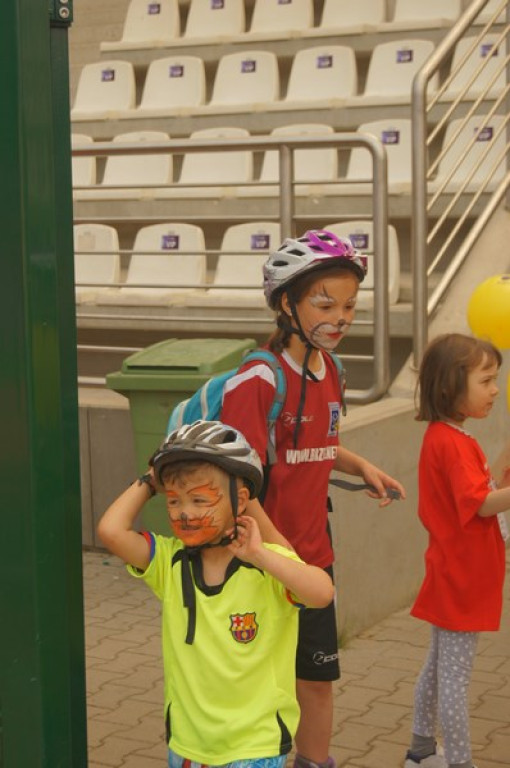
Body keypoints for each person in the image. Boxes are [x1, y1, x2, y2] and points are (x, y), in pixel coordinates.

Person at [220, 229, 406, 768]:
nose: (341, 316)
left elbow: (319, 443)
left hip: (313, 558)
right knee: (258, 682)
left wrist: (362, 466)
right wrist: (280, 555)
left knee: (317, 679)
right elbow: (238, 481)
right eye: (325, 303)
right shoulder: (258, 378)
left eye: (349, 304)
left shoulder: (334, 370)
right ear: (286, 303)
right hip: (257, 563)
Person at [97, 419, 335, 768]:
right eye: (174, 501)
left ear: (240, 500)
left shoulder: (266, 565)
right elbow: (111, 530)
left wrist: (259, 552)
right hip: (187, 746)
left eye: (199, 499)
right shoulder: (171, 561)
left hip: (252, 748)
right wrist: (151, 480)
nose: (185, 513)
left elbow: (322, 593)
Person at [404, 333, 510, 768]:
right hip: (462, 577)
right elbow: (482, 503)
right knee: (454, 677)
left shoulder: (447, 437)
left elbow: (481, 494)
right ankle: (459, 761)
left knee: (438, 667)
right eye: (486, 381)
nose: (496, 389)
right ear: (451, 386)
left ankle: (422, 749)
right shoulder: (452, 443)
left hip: (454, 571)